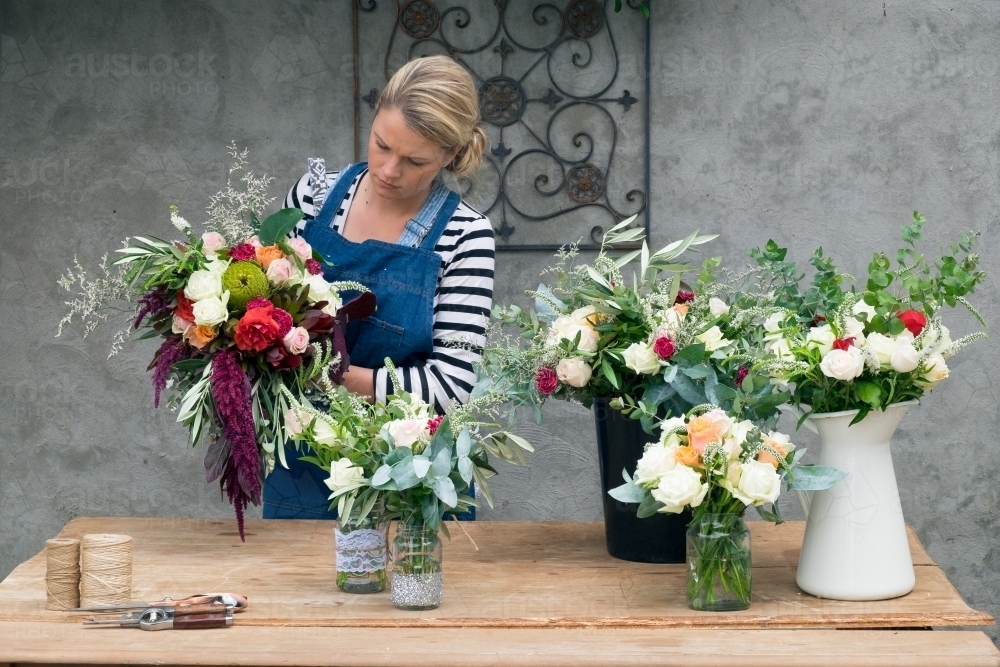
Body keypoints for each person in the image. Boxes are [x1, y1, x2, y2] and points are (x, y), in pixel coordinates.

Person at [263, 55, 495, 520]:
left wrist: (333, 377)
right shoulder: (312, 198)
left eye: (414, 161)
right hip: (302, 464)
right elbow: (262, 310)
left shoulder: (466, 236)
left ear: (450, 155)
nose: (389, 170)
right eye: (381, 145)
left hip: (413, 474)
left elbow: (451, 386)